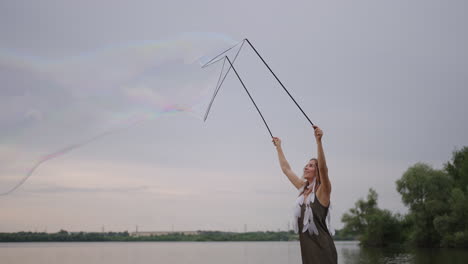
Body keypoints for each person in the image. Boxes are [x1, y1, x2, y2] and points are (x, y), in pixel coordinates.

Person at [272, 125, 337, 264]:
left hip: (324, 251)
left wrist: (318, 141)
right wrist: (279, 147)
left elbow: (323, 169)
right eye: (306, 164)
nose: (306, 167)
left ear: (317, 171)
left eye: (311, 165)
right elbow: (286, 169)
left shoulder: (323, 190)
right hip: (308, 251)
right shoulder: (303, 189)